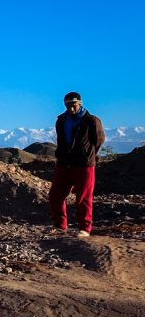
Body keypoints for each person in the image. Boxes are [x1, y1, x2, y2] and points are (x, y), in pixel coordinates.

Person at [48, 91, 105, 237]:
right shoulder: (61, 121)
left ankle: (85, 229)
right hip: (64, 164)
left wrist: (88, 155)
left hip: (84, 165)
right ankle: (60, 226)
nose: (71, 108)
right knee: (56, 195)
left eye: (73, 105)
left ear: (80, 103)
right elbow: (61, 140)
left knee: (83, 197)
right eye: (68, 105)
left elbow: (98, 141)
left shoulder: (92, 121)